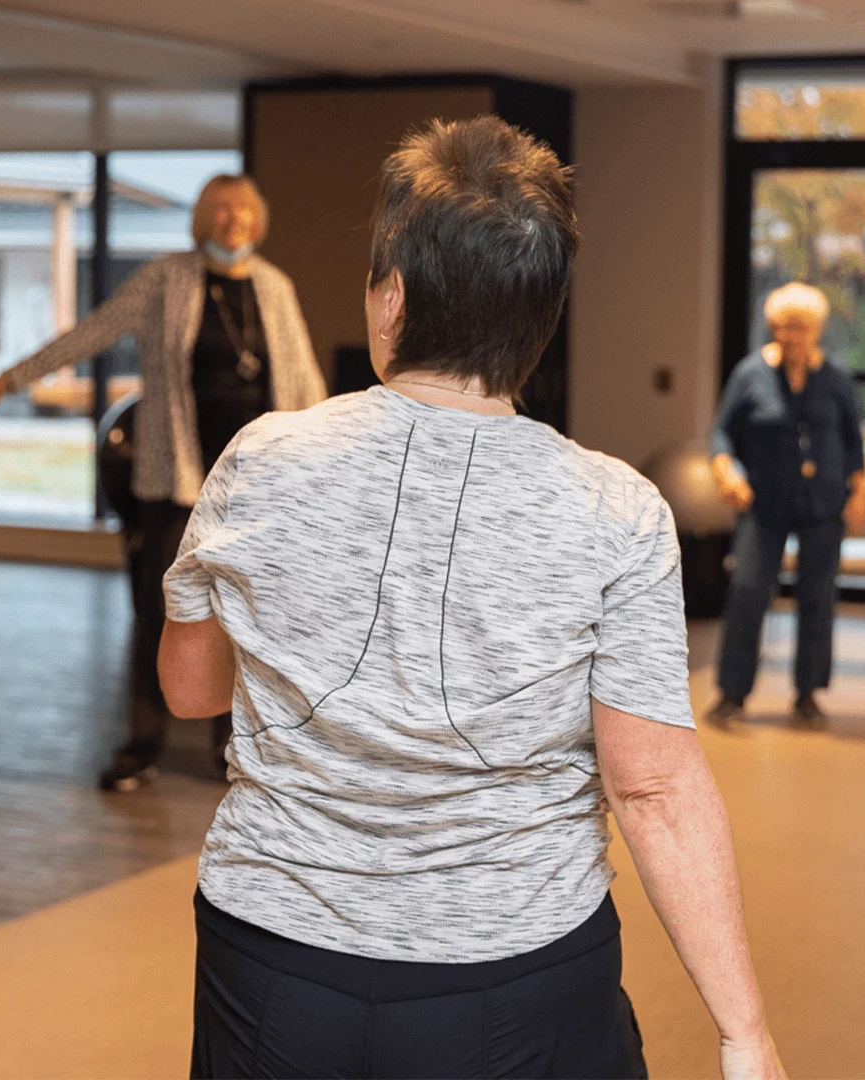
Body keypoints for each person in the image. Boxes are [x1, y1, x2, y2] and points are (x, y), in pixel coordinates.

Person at [157, 116, 783, 1080]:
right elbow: (652, 788)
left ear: (391, 298)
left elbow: (191, 691)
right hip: (515, 980)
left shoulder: (260, 461)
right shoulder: (617, 508)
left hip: (272, 960)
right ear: (539, 315)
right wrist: (745, 1033)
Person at [0, 175, 326, 790]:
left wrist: (326, 461)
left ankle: (233, 751)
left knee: (250, 623)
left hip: (256, 489)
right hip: (176, 484)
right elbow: (92, 333)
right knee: (161, 618)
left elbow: (304, 381)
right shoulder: (166, 280)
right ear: (203, 218)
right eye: (219, 206)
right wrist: (8, 380)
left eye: (242, 208)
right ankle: (142, 745)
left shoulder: (274, 289)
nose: (231, 217)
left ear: (258, 222)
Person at [705, 283, 865, 729]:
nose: (789, 335)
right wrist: (726, 471)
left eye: (799, 327)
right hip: (764, 501)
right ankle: (732, 693)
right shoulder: (750, 374)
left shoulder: (835, 378)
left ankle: (809, 693)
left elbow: (854, 440)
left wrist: (859, 490)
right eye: (781, 326)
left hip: (823, 503)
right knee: (748, 589)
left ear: (817, 330)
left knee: (818, 596)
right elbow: (721, 433)